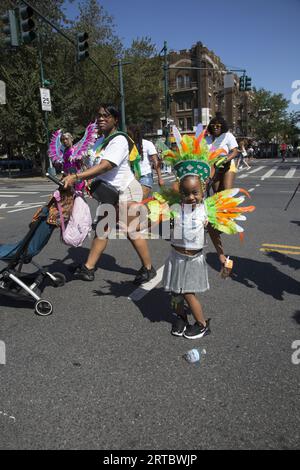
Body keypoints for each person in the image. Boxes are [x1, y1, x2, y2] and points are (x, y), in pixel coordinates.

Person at [62, 103, 156, 285]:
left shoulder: (119, 140)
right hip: (109, 193)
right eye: (99, 116)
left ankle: (148, 268)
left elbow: (106, 165)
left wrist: (76, 176)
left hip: (126, 191)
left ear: (115, 120)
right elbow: (92, 165)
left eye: (106, 116)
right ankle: (88, 268)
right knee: (102, 230)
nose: (101, 119)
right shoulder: (98, 141)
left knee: (131, 230)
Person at [163, 174, 211, 339]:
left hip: (193, 259)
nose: (191, 197)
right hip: (176, 257)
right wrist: (168, 224)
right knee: (175, 293)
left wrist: (221, 256)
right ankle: (181, 317)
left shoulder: (206, 210)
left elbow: (216, 234)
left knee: (189, 293)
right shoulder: (176, 208)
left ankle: (202, 324)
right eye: (186, 194)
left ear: (203, 192)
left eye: (195, 193)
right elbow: (169, 232)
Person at [205, 114, 239, 277]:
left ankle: (228, 218)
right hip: (214, 170)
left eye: (219, 125)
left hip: (226, 167)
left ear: (223, 126)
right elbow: (204, 156)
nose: (216, 127)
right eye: (214, 125)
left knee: (226, 193)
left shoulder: (228, 136)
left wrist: (226, 158)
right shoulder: (208, 140)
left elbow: (235, 151)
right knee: (217, 197)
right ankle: (217, 222)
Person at [127, 125, 164, 198]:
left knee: (138, 200)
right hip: (131, 178)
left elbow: (155, 161)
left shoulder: (147, 144)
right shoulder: (127, 145)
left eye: (130, 134)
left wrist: (160, 178)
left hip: (145, 177)